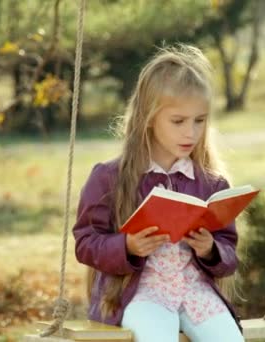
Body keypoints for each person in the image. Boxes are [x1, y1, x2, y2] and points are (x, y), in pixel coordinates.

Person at [73, 44, 243, 342]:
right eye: (178, 121)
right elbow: (86, 243)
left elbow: (229, 253)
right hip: (142, 294)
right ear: (149, 117)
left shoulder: (211, 183)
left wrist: (210, 249)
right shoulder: (110, 177)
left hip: (196, 293)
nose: (191, 132)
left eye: (199, 121)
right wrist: (127, 246)